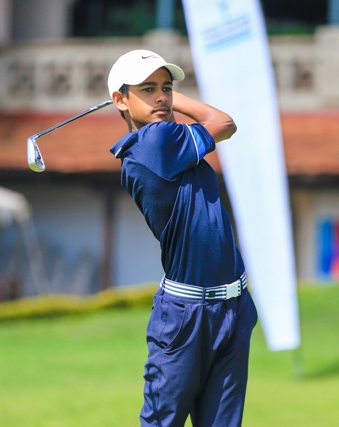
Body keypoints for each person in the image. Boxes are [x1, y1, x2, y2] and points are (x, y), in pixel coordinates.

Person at [108, 49, 259, 427]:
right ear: (120, 100)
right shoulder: (154, 143)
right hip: (185, 318)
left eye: (166, 87)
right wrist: (177, 101)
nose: (161, 97)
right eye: (148, 89)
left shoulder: (170, 142)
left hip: (232, 305)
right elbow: (223, 122)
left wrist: (151, 98)